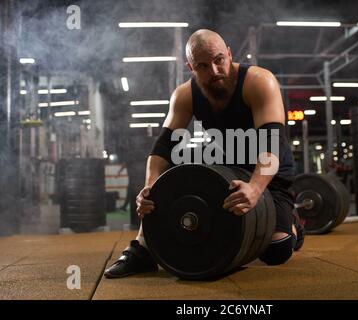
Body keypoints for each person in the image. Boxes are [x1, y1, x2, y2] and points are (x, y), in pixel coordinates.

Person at [104, 29, 305, 278]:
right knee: (162, 188)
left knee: (276, 250)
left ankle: (292, 223)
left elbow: (270, 145)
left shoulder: (259, 82)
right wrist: (150, 186)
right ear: (191, 67)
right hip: (226, 172)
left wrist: (254, 187)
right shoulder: (185, 95)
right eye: (202, 65)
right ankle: (142, 249)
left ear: (229, 54)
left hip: (269, 176)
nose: (214, 71)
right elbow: (163, 147)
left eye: (219, 59)